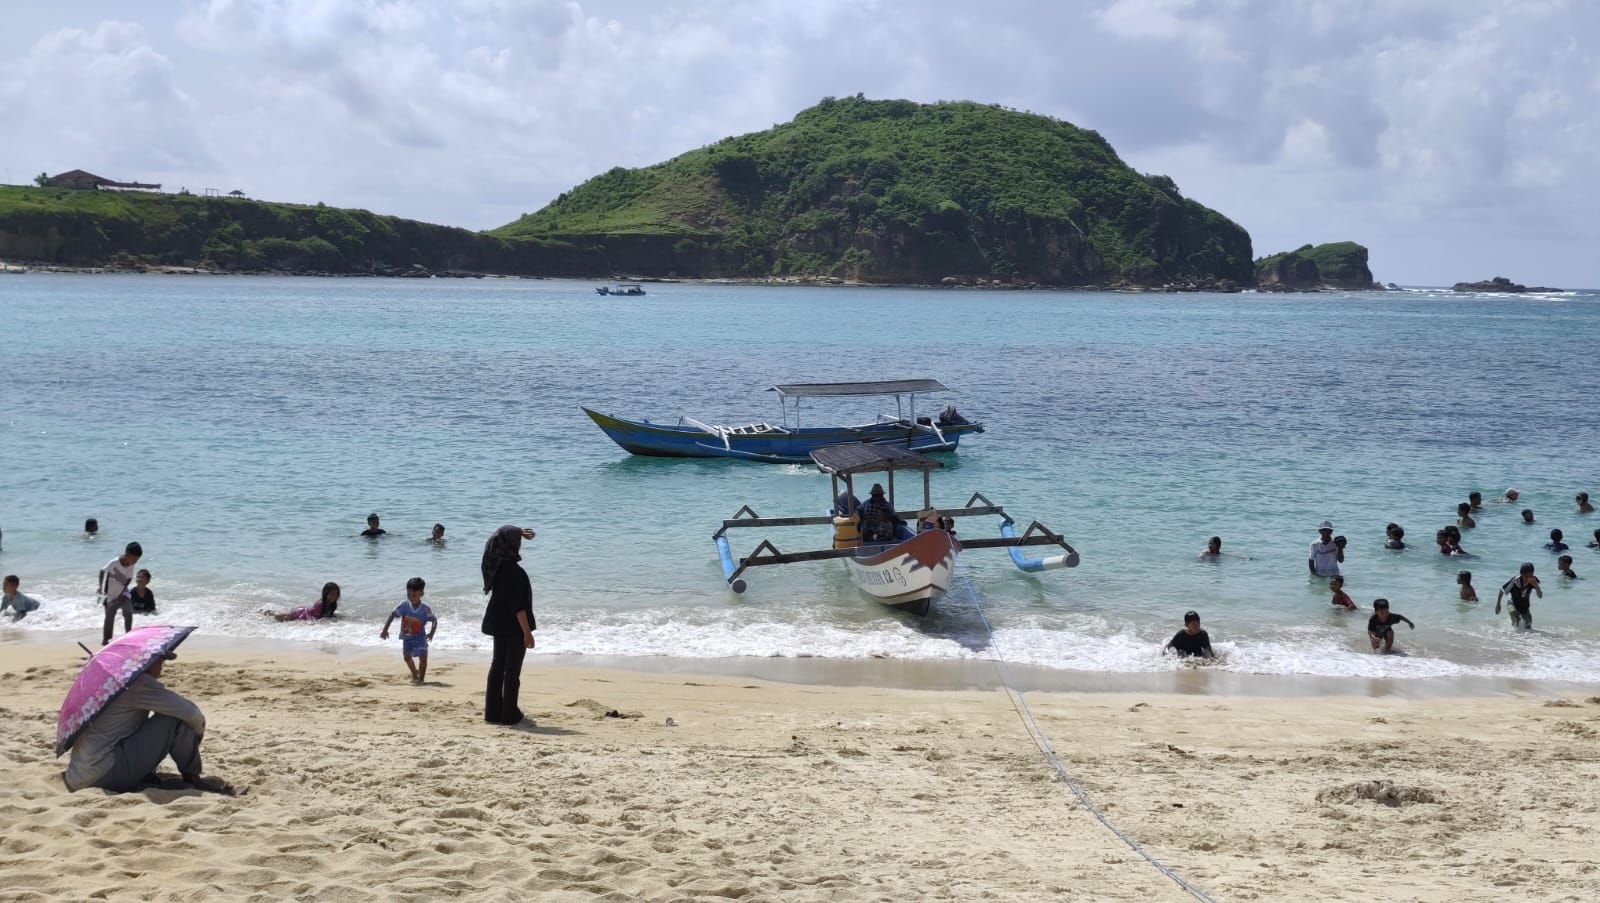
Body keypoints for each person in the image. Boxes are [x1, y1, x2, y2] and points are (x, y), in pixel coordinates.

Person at [63, 650, 231, 794]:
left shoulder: (106, 684)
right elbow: (192, 714)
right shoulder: (138, 684)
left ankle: (146, 773)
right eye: (161, 661)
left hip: (78, 775)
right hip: (102, 775)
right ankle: (193, 778)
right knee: (174, 720)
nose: (162, 666)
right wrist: (197, 736)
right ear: (149, 663)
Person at [482, 525, 537, 725]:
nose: (520, 544)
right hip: (514, 627)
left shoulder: (497, 567)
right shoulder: (514, 572)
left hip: (498, 623)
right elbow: (518, 607)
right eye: (518, 541)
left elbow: (500, 534)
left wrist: (519, 531)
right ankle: (509, 714)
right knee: (512, 671)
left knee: (497, 666)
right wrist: (527, 633)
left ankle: (492, 712)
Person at [380, 577, 437, 685]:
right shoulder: (404, 605)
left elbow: (434, 620)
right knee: (407, 658)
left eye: (414, 595)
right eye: (409, 594)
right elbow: (392, 615)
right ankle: (414, 673)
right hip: (407, 638)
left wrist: (431, 633)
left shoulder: (425, 608)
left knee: (423, 659)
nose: (411, 597)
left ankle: (421, 680)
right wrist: (385, 630)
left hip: (420, 638)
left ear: (422, 594)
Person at [98, 542, 142, 645]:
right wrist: (100, 586)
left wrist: (123, 591)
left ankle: (128, 635)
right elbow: (102, 571)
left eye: (137, 560)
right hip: (111, 594)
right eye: (134, 559)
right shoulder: (114, 563)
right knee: (109, 617)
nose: (135, 562)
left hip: (123, 594)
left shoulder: (131, 565)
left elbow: (129, 578)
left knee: (128, 612)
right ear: (127, 555)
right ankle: (106, 640)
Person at [1496, 562, 1541, 629]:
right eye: (1526, 576)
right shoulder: (1515, 580)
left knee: (1528, 625)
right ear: (1521, 574)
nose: (1527, 579)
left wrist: (1537, 586)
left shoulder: (1534, 581)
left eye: (1530, 576)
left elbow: (1540, 596)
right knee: (1515, 618)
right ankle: (1513, 636)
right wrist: (1498, 604)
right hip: (1512, 602)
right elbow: (1502, 590)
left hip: (1524, 605)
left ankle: (1526, 638)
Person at [268, 582, 340, 621]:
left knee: (286, 617)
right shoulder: (320, 604)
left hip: (307, 613)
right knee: (278, 617)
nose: (334, 596)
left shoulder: (333, 604)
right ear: (325, 594)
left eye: (336, 594)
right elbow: (315, 618)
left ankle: (270, 612)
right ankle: (269, 612)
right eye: (332, 594)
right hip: (302, 612)